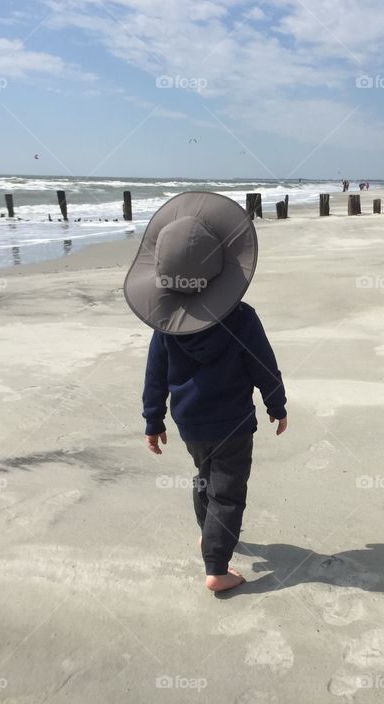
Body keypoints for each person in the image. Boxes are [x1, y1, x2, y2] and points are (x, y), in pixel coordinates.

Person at [123, 192, 288, 593]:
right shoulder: (243, 319)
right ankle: (217, 566)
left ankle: (208, 534)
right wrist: (276, 404)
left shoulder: (165, 326)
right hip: (232, 423)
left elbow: (154, 375)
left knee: (204, 477)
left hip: (190, 423)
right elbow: (262, 364)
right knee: (228, 491)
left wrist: (152, 420)